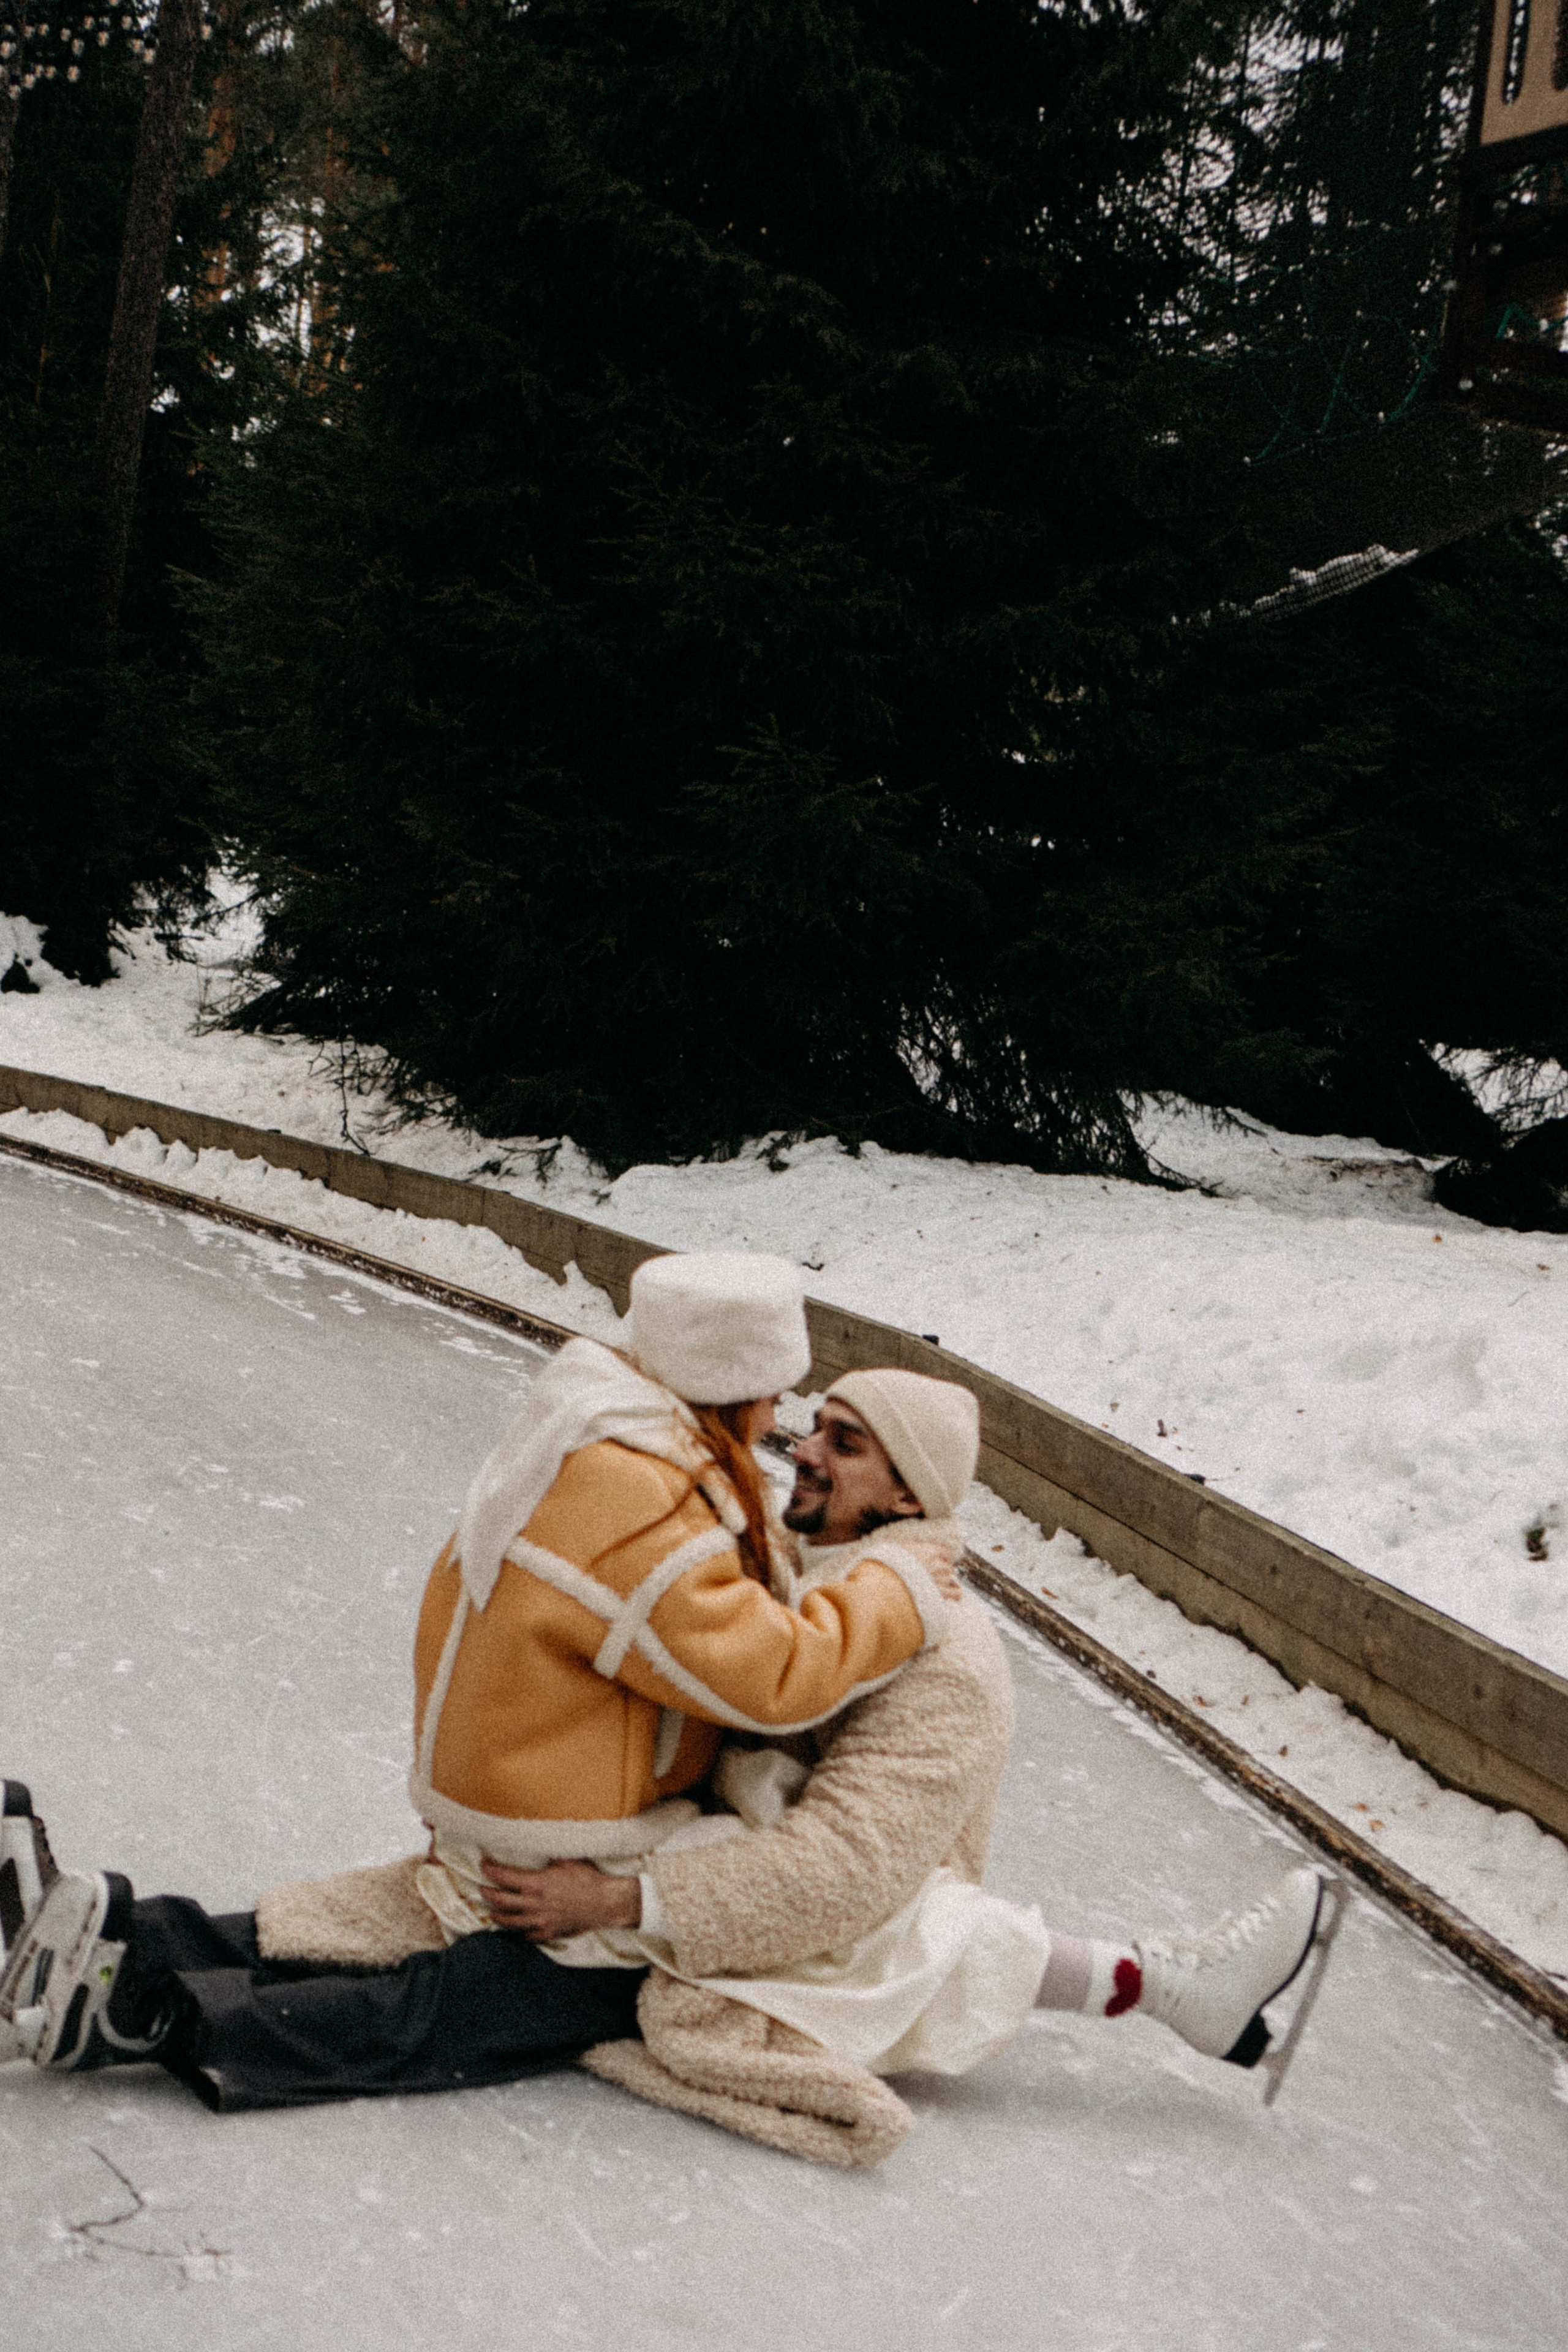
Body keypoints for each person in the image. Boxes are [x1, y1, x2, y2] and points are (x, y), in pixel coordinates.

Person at [0, 1252, 959, 2103]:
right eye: (774, 1396)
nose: (778, 1427)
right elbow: (777, 1676)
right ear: (733, 1384)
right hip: (566, 1840)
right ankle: (145, 2015)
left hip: (498, 1792)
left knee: (354, 1929)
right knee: (473, 2008)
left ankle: (112, 1931)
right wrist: (902, 1591)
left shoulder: (584, 1439)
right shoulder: (653, 1511)